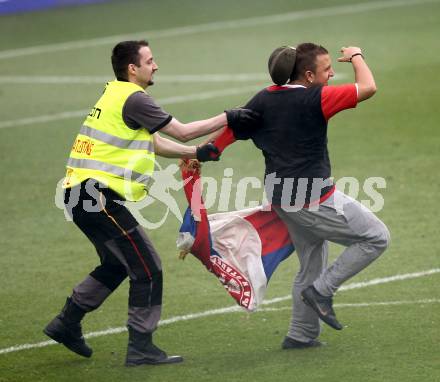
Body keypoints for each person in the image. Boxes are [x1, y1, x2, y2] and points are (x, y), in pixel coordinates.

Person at [43, 39, 258, 366]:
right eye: (150, 60)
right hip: (95, 196)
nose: (155, 65)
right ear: (133, 68)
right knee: (148, 267)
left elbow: (154, 142)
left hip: (82, 195)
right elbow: (182, 132)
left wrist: (198, 154)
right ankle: (141, 346)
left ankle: (66, 323)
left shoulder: (115, 94)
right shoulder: (134, 98)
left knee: (117, 264)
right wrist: (227, 117)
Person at [236, 43, 391, 349]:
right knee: (376, 237)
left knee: (311, 262)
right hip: (313, 199)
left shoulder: (264, 97)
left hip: (282, 198)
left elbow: (231, 129)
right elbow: (368, 86)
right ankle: (322, 291)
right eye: (326, 69)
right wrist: (357, 55)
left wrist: (203, 152)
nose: (332, 73)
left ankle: (301, 334)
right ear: (308, 75)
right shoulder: (316, 97)